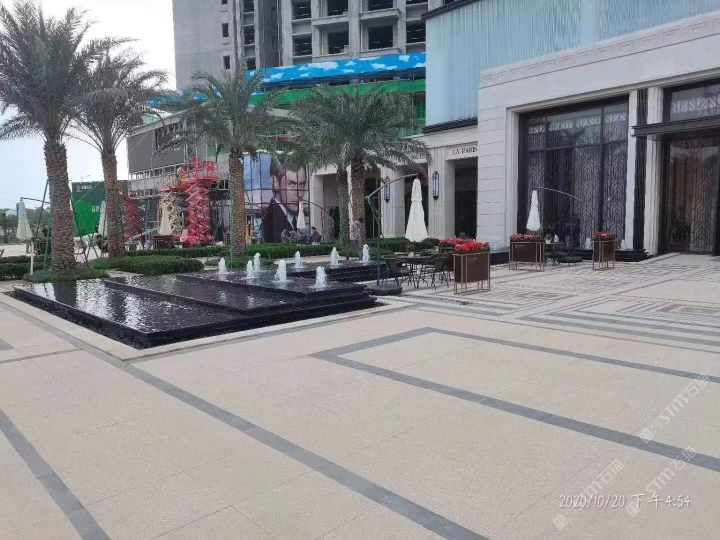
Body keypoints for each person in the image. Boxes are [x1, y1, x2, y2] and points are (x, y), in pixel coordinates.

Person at [262, 163, 307, 243]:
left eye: (302, 184)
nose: (299, 194)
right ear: (276, 183)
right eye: (292, 184)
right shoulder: (270, 220)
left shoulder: (295, 217)